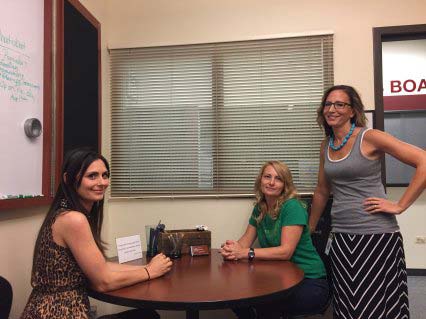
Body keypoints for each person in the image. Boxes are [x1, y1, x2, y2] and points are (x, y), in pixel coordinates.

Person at [309, 84, 426, 319]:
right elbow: (322, 191)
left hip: (376, 236)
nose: (332, 109)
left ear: (352, 111)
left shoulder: (369, 137)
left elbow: (423, 161)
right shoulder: (327, 145)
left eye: (340, 104)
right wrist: (310, 228)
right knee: (347, 303)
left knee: (376, 305)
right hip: (341, 236)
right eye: (328, 104)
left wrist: (399, 205)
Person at [21, 148, 172, 319]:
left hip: (56, 310)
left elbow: (102, 267)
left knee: (147, 315)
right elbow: (103, 282)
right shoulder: (73, 219)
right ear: (68, 179)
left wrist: (146, 267)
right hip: (57, 313)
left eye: (105, 175)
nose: (102, 182)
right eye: (92, 176)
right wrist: (150, 272)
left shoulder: (67, 213)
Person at [220, 161, 329, 319]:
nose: (271, 182)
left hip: (309, 282)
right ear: (260, 180)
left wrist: (245, 253)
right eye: (267, 177)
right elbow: (245, 241)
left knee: (262, 302)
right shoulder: (260, 207)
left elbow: (286, 251)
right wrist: (233, 249)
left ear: (285, 185)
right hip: (279, 280)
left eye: (278, 179)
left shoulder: (292, 207)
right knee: (233, 294)